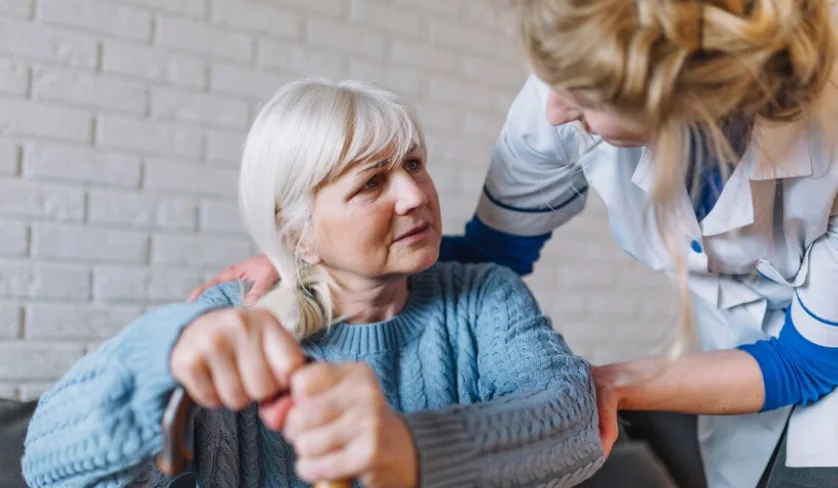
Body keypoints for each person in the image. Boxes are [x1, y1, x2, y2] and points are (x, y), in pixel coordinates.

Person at [190, 1, 838, 487]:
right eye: (370, 184)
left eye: (413, 165)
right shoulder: (555, 100)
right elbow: (490, 253)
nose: (552, 110)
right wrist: (306, 261)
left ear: (675, 99)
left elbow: (808, 361)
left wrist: (606, 385)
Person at [20, 79, 605, 488]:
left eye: (413, 164)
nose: (414, 195)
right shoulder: (227, 325)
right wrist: (157, 357)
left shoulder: (485, 299)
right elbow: (48, 468)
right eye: (371, 183)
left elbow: (575, 420)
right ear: (295, 234)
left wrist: (406, 447)